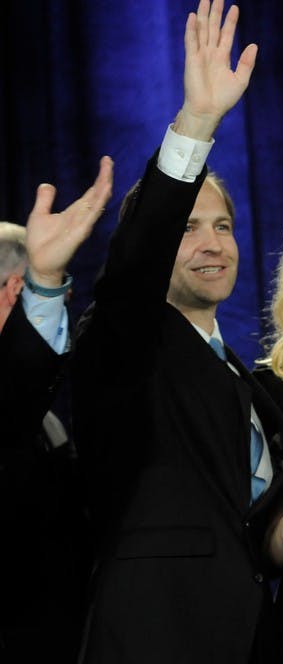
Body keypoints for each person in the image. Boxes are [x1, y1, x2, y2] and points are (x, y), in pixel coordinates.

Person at [71, 2, 283, 661]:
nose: (211, 244)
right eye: (186, 227)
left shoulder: (240, 373)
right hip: (158, 633)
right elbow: (133, 269)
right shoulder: (124, 338)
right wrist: (197, 122)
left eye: (223, 226)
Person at [0, 161, 112, 661]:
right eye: (54, 300)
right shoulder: (23, 401)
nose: (62, 309)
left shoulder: (46, 422)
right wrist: (45, 281)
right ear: (14, 292)